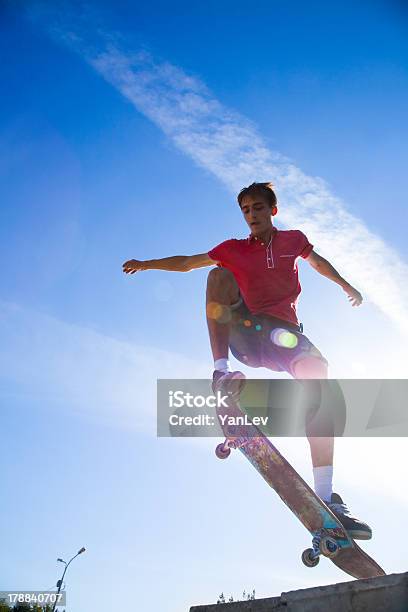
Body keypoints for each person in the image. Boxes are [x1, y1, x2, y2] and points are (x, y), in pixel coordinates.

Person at [122, 181, 371, 539]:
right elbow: (188, 263)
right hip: (248, 332)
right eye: (245, 210)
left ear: (273, 210)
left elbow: (317, 262)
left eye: (257, 208)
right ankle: (221, 373)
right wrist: (147, 264)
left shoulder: (293, 240)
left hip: (285, 336)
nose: (251, 215)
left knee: (322, 383)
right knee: (218, 274)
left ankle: (327, 497)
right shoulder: (233, 249)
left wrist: (346, 285)